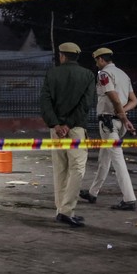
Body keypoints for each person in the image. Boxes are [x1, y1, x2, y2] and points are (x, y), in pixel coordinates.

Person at [40, 42, 95, 228]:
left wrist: (56, 124)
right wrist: (69, 124)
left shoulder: (52, 73)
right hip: (77, 129)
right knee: (77, 169)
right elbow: (86, 105)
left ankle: (60, 210)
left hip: (56, 131)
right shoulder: (88, 75)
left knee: (60, 169)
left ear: (62, 56)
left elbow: (44, 102)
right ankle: (66, 210)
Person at [79, 47, 137, 211]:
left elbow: (114, 97)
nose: (96, 64)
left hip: (109, 123)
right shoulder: (123, 74)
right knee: (104, 160)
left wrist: (122, 116)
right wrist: (123, 114)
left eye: (96, 61)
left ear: (100, 59)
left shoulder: (104, 74)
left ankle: (129, 199)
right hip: (116, 123)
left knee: (118, 161)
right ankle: (93, 192)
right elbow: (134, 100)